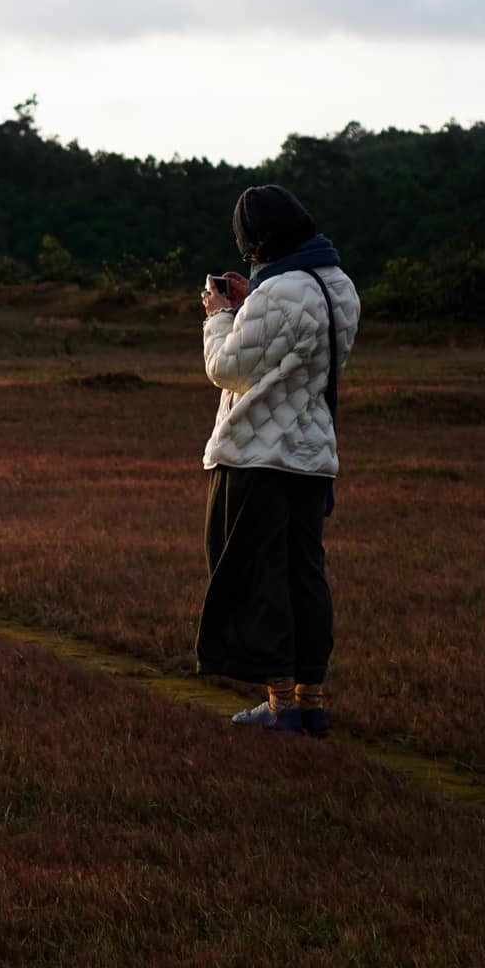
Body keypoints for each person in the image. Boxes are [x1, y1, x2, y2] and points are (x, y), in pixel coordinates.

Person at [196, 184, 360, 737]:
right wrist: (250, 305)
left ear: (259, 242)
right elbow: (293, 357)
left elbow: (227, 368)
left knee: (258, 579)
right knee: (304, 578)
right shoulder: (338, 286)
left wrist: (221, 315)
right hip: (311, 456)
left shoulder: (279, 292)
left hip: (258, 458)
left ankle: (279, 703)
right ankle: (309, 701)